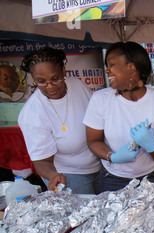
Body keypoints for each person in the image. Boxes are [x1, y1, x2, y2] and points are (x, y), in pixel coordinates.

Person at [83, 41, 154, 197]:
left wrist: (153, 146)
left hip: (152, 178)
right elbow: (93, 141)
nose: (107, 70)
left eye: (111, 65)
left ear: (131, 67)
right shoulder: (100, 99)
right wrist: (112, 157)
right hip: (112, 179)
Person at [18, 47, 100, 194]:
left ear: (63, 71)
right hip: (70, 175)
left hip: (100, 166)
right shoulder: (33, 113)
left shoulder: (77, 85)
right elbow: (42, 161)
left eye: (55, 79)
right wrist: (53, 175)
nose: (50, 86)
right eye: (41, 82)